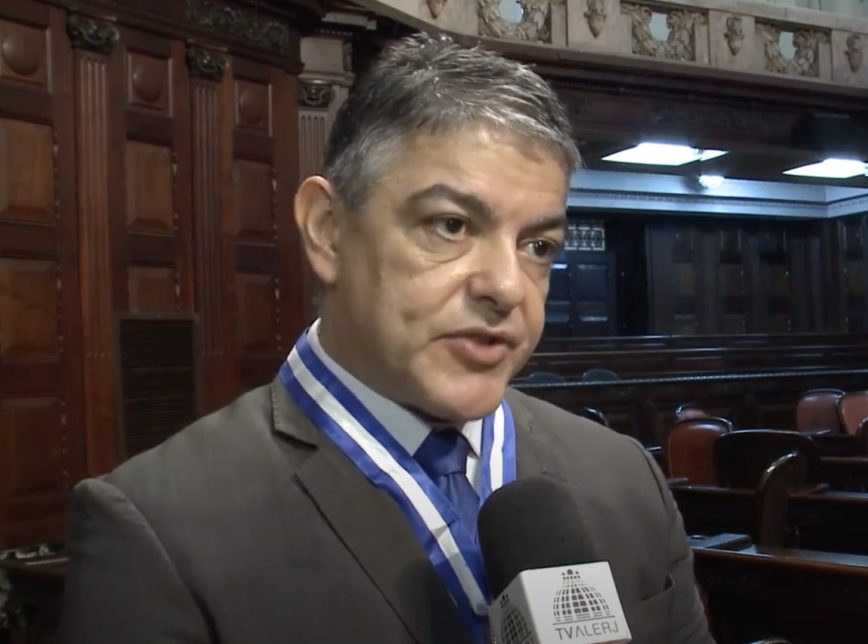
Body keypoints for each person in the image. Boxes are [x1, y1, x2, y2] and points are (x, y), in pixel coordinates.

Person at [58, 33, 713, 644]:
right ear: (328, 231)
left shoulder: (625, 477)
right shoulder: (159, 532)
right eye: (451, 225)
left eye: (537, 245)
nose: (508, 287)